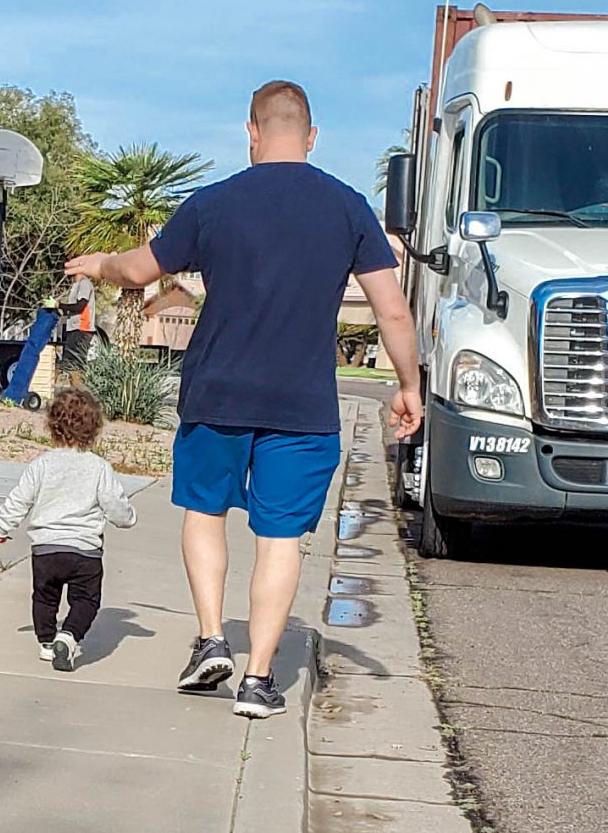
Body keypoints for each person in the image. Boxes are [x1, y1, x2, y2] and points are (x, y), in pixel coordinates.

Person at [66, 79, 422, 719]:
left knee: (205, 513)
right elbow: (392, 311)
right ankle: (258, 678)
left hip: (216, 394)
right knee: (279, 537)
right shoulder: (347, 208)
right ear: (312, 138)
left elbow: (141, 269)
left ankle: (209, 640)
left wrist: (100, 264)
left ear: (251, 131)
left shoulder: (214, 204)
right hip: (303, 405)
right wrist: (408, 385)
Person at [0, 388, 138, 671]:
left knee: (44, 597)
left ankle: (46, 642)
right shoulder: (99, 468)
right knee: (86, 600)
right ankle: (69, 637)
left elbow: (20, 498)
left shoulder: (42, 465)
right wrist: (128, 518)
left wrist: (1, 526)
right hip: (84, 551)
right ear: (94, 429)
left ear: (52, 426)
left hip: (46, 549)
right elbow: (115, 505)